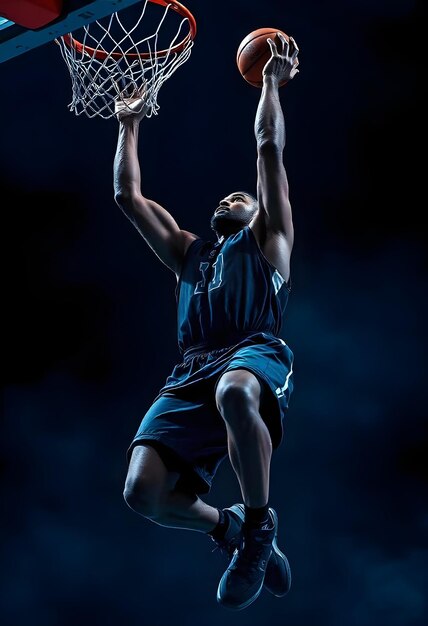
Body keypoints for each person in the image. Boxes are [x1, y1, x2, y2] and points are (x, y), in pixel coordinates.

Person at [113, 32, 299, 611]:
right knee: (141, 493)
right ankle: (228, 526)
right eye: (222, 198)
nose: (228, 199)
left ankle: (261, 527)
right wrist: (128, 123)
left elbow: (268, 151)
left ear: (257, 210)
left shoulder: (270, 239)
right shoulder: (189, 253)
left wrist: (269, 83)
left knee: (238, 391)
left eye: (239, 197)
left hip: (253, 348)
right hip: (190, 369)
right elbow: (127, 195)